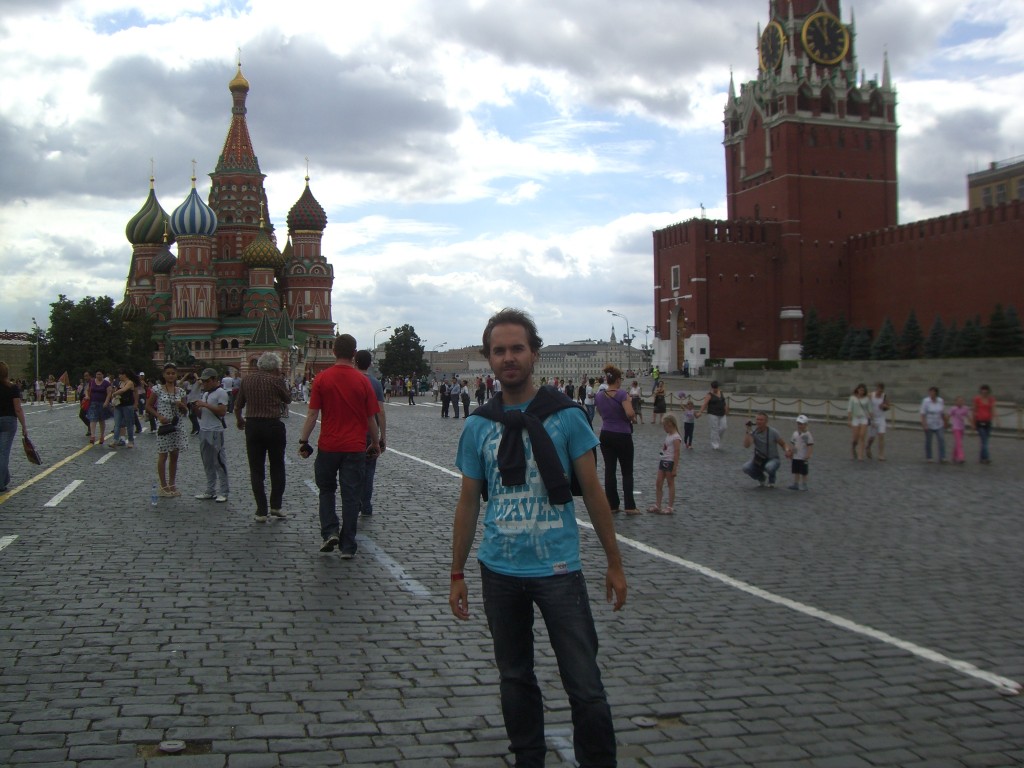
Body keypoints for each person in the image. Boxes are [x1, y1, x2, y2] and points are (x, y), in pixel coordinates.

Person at [449, 308, 627, 768]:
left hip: (559, 570)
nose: (509, 358)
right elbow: (469, 502)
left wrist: (614, 561)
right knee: (514, 678)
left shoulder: (567, 417)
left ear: (535, 353)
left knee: (585, 684)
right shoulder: (478, 425)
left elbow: (593, 492)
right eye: (499, 350)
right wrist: (456, 572)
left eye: (517, 348)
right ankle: (528, 758)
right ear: (488, 358)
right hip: (499, 570)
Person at [298, 334, 380, 557]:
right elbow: (371, 417)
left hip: (328, 446)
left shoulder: (322, 379)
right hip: (354, 448)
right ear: (354, 354)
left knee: (326, 490)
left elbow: (312, 414)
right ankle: (347, 546)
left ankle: (329, 531)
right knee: (351, 495)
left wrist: (304, 440)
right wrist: (375, 442)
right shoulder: (363, 381)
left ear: (333, 351)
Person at [234, 352, 292, 521]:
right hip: (273, 426)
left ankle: (261, 510)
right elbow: (288, 399)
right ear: (274, 367)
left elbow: (238, 406)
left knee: (256, 468)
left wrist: (239, 421)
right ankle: (276, 506)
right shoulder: (276, 380)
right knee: (277, 466)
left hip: (252, 426)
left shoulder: (247, 380)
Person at [594, 363, 638, 515]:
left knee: (609, 471)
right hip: (623, 434)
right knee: (627, 471)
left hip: (606, 434)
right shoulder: (622, 394)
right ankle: (630, 506)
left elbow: (601, 413)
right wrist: (632, 417)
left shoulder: (599, 396)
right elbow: (630, 413)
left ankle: (612, 504)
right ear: (618, 380)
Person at [146, 363, 188, 497]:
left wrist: (181, 405)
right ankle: (163, 486)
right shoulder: (157, 389)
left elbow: (185, 410)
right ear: (164, 375)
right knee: (163, 454)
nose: (170, 375)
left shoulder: (180, 391)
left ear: (176, 375)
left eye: (173, 373)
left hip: (177, 425)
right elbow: (148, 406)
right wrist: (159, 416)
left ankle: (172, 484)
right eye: (168, 373)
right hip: (164, 425)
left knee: (174, 455)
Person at [354, 349, 387, 517]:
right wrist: (382, 436)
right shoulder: (375, 383)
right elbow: (380, 411)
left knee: (351, 470)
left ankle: (352, 504)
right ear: (370, 364)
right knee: (369, 471)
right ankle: (365, 505)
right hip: (369, 433)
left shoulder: (350, 380)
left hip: (351, 433)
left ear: (355, 362)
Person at [193, 368, 230, 503]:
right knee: (207, 462)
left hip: (215, 431)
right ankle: (210, 490)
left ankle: (224, 491)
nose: (204, 383)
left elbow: (222, 411)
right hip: (204, 429)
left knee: (219, 461)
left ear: (214, 380)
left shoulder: (221, 393)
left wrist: (205, 405)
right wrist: (196, 408)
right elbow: (201, 415)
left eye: (207, 381)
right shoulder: (205, 394)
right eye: (203, 381)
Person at [0, 361, 30, 494]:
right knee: (3, 452)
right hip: (8, 421)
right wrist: (24, 426)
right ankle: (1, 482)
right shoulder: (13, 388)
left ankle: (5, 479)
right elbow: (18, 409)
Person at [742, 412, 791, 488]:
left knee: (769, 467)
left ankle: (772, 480)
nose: (759, 421)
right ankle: (761, 478)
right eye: (757, 419)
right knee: (746, 468)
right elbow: (746, 445)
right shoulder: (754, 432)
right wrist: (748, 430)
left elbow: (783, 444)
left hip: (773, 459)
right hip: (759, 460)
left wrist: (787, 450)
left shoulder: (773, 432)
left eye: (761, 420)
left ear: (766, 421)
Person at [649, 414, 681, 514]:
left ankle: (670, 506)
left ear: (670, 424)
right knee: (658, 483)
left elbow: (677, 453)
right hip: (663, 460)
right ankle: (657, 504)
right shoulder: (669, 435)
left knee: (670, 483)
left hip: (670, 462)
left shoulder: (676, 437)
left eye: (665, 426)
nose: (664, 428)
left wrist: (675, 468)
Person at [106, 368, 138, 448]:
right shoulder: (119, 382)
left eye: (120, 374)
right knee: (117, 424)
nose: (119, 376)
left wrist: (114, 394)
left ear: (125, 375)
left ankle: (131, 441)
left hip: (128, 405)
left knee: (129, 424)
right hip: (119, 405)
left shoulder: (130, 382)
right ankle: (115, 440)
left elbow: (124, 390)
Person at [697, 380, 729, 450]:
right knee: (714, 428)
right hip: (713, 413)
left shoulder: (721, 393)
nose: (715, 389)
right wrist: (700, 412)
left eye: (716, 388)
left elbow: (724, 402)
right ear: (712, 387)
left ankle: (717, 439)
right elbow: (705, 404)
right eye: (714, 388)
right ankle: (715, 444)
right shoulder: (709, 395)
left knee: (724, 427)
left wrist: (726, 409)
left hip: (722, 413)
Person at [919, 386, 947, 463]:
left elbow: (942, 412)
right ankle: (929, 457)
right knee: (928, 441)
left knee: (941, 439)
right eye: (930, 392)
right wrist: (924, 424)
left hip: (939, 423)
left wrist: (945, 422)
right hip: (929, 423)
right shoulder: (925, 401)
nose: (931, 394)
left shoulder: (940, 401)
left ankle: (942, 457)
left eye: (933, 392)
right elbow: (923, 414)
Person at [972, 385, 998, 464]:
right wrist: (973, 423)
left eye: (986, 390)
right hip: (979, 422)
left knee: (985, 441)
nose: (984, 392)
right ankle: (986, 457)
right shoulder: (977, 399)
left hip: (988, 422)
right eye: (983, 390)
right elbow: (974, 411)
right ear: (981, 391)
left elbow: (993, 409)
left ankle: (981, 457)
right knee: (984, 440)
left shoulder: (991, 399)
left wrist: (997, 419)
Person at [788, 415, 814, 491]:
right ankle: (796, 483)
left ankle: (804, 484)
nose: (800, 426)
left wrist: (808, 454)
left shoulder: (807, 435)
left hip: (803, 456)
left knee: (804, 472)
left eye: (801, 424)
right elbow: (793, 444)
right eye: (798, 424)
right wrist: (791, 453)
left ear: (806, 424)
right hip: (796, 456)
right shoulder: (795, 434)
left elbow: (810, 445)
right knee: (796, 471)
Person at [87, 369, 112, 446]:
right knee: (93, 419)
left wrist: (106, 402)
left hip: (102, 403)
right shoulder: (92, 382)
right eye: (97, 374)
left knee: (101, 420)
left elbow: (109, 393)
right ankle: (93, 436)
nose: (98, 376)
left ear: (103, 375)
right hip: (93, 403)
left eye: (100, 374)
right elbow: (87, 390)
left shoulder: (106, 383)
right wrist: (87, 396)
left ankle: (102, 436)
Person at [866, 381, 890, 461]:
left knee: (881, 435)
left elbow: (888, 406)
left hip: (881, 418)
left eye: (881, 391)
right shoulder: (870, 395)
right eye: (879, 391)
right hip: (873, 418)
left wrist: (884, 406)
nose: (880, 392)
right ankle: (868, 446)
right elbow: (867, 406)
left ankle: (881, 454)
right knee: (872, 437)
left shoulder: (884, 396)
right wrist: (870, 417)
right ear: (877, 389)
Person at [847, 383, 871, 460]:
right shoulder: (852, 398)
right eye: (860, 390)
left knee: (862, 436)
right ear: (857, 390)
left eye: (863, 390)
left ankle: (861, 454)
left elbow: (870, 410)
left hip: (864, 418)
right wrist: (849, 420)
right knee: (855, 438)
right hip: (855, 419)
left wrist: (872, 419)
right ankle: (853, 448)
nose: (861, 391)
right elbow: (850, 410)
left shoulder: (867, 399)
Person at [948, 396, 971, 465]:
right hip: (955, 428)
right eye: (958, 401)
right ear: (956, 402)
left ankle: (954, 456)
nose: (960, 402)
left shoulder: (965, 408)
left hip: (962, 428)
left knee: (957, 443)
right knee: (959, 443)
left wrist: (973, 425)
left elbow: (968, 416)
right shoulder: (953, 409)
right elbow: (948, 416)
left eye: (962, 401)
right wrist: (946, 423)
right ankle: (961, 457)